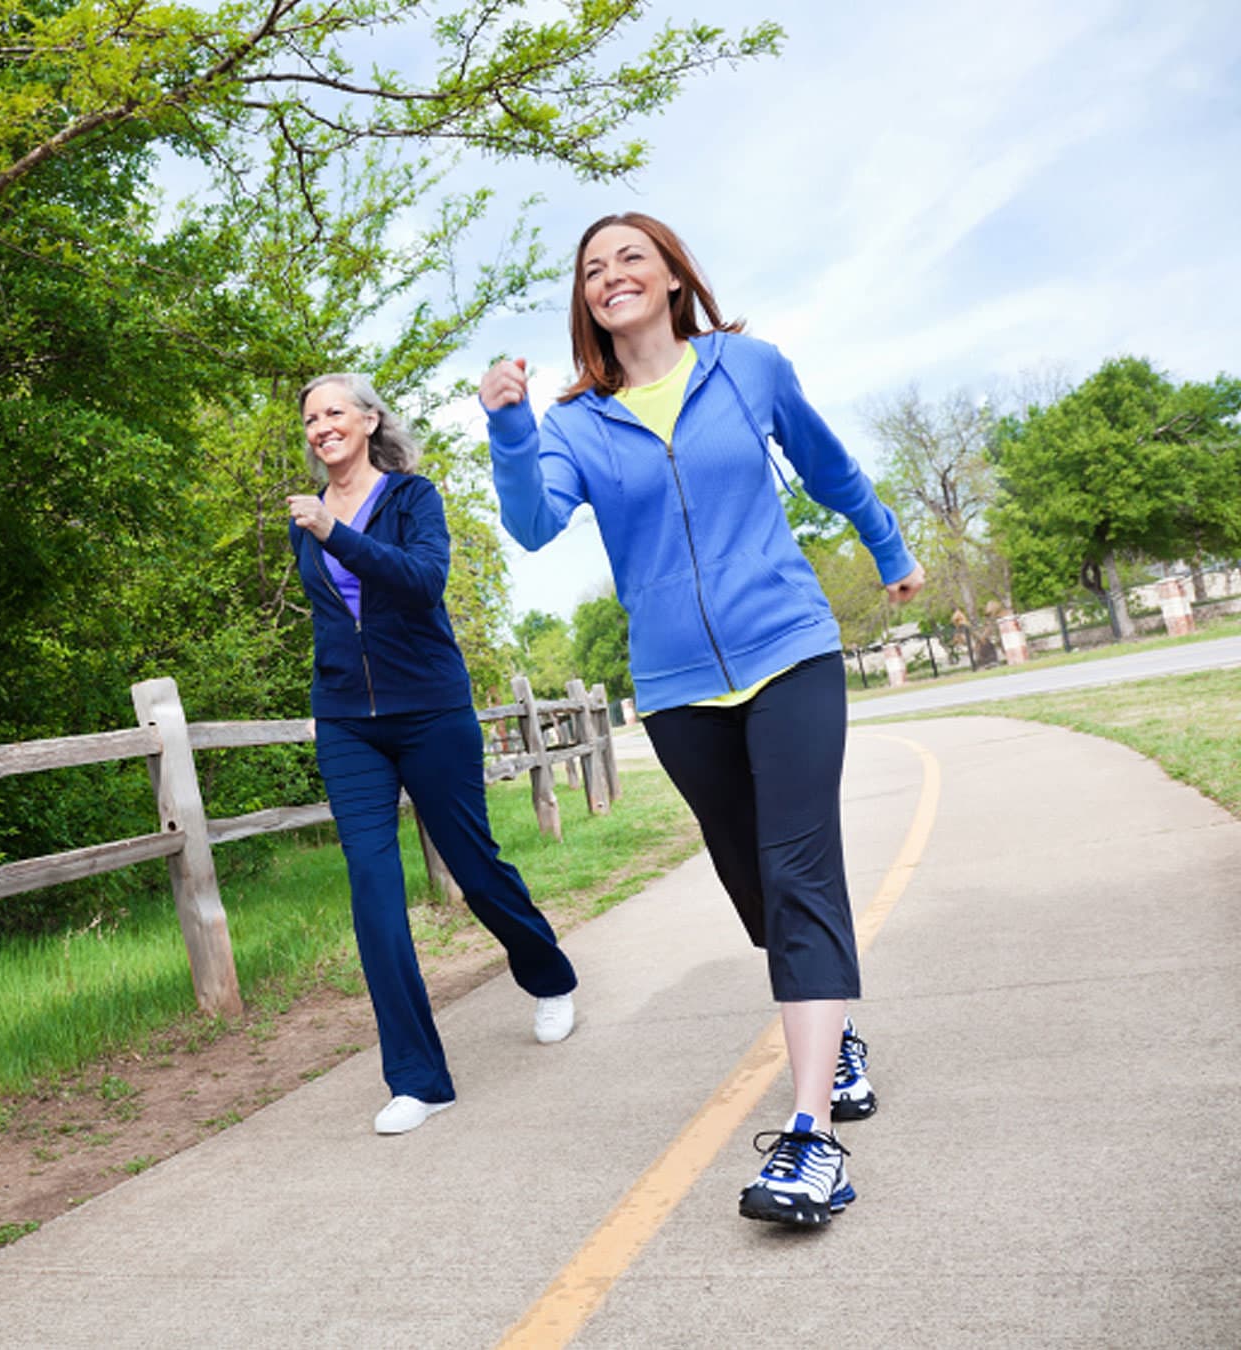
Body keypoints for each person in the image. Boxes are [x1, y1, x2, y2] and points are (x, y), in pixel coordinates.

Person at [478, 212, 925, 1225]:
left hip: (788, 648)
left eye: (630, 256)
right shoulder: (575, 426)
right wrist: (508, 426)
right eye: (592, 269)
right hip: (677, 685)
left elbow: (827, 466)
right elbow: (533, 524)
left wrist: (888, 547)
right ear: (582, 303)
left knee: (800, 867)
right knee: (749, 877)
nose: (610, 275)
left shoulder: (748, 367)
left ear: (674, 276)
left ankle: (811, 1137)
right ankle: (834, 1025)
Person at [288, 372, 580, 1136]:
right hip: (349, 723)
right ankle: (418, 1078)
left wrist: (333, 532)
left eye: (333, 412)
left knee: (474, 866)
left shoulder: (414, 499)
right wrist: (325, 701)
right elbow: (330, 622)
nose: (321, 426)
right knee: (373, 889)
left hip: (430, 712)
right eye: (310, 418)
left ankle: (548, 975)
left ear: (368, 419)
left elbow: (422, 584)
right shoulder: (306, 518)